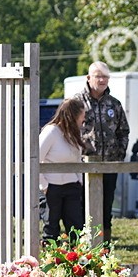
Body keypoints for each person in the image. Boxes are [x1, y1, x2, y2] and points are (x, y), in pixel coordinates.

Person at [78, 61, 130, 243]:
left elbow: (123, 131)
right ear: (88, 78)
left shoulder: (114, 104)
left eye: (105, 76)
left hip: (109, 164)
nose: (102, 80)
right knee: (82, 208)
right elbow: (68, 131)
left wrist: (119, 155)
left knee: (106, 207)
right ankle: (84, 247)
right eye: (98, 76)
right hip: (83, 166)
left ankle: (104, 248)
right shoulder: (76, 103)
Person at [39, 98, 86, 242]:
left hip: (72, 186)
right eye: (81, 116)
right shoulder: (51, 131)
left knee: (76, 228)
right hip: (51, 187)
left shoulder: (74, 133)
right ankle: (50, 261)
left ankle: (78, 261)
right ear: (73, 115)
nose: (83, 120)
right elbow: (35, 158)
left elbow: (78, 159)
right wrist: (44, 185)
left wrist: (79, 180)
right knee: (51, 228)